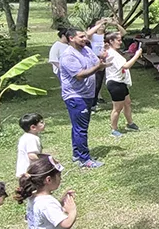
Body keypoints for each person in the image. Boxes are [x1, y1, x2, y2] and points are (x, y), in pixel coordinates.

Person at [59, 28, 107, 168]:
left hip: (87, 94)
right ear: (71, 38)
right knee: (81, 128)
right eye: (81, 36)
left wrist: (102, 59)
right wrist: (98, 67)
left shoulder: (86, 49)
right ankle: (85, 160)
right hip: (75, 96)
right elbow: (79, 75)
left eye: (85, 36)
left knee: (78, 126)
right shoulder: (68, 55)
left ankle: (77, 154)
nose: (85, 38)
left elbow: (96, 62)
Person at [104, 31, 143, 138]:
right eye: (118, 40)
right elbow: (126, 66)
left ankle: (130, 123)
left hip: (121, 82)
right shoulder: (112, 54)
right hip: (115, 83)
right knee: (117, 108)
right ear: (111, 41)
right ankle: (114, 129)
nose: (121, 42)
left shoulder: (113, 52)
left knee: (127, 103)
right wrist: (136, 55)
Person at [86, 18, 126, 112]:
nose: (102, 25)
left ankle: (115, 100)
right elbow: (88, 34)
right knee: (96, 83)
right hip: (96, 60)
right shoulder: (93, 36)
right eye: (99, 24)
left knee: (109, 80)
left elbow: (123, 33)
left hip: (108, 59)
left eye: (103, 24)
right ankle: (93, 104)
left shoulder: (107, 36)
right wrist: (100, 23)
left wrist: (116, 24)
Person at [16, 113, 45, 177]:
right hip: (29, 172)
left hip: (23, 170)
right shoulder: (32, 139)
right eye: (41, 122)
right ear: (33, 127)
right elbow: (31, 155)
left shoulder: (25, 137)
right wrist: (43, 163)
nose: (44, 124)